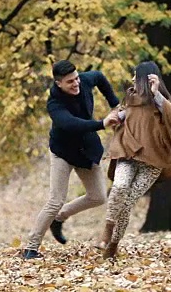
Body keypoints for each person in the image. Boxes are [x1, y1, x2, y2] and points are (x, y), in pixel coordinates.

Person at [22, 60, 121, 259]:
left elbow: (100, 77)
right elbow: (71, 124)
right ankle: (31, 248)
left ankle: (59, 218)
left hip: (86, 151)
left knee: (99, 197)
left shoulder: (84, 80)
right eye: (70, 82)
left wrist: (115, 104)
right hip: (63, 153)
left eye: (76, 78)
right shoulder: (54, 104)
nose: (76, 83)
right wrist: (102, 123)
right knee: (55, 200)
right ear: (59, 83)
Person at [96, 61, 171, 259]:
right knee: (120, 187)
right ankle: (107, 230)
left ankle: (113, 244)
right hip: (128, 153)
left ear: (145, 78)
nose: (132, 79)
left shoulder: (162, 101)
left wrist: (156, 92)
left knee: (128, 202)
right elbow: (122, 114)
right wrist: (115, 116)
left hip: (153, 162)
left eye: (135, 76)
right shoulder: (130, 98)